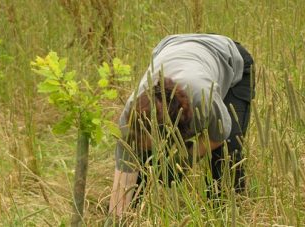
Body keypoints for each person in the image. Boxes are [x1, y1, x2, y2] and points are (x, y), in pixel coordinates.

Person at [109, 34, 255, 217]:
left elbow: (218, 135)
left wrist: (180, 162)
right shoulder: (131, 116)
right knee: (145, 159)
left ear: (169, 132)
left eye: (145, 140)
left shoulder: (202, 98)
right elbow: (124, 173)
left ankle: (225, 215)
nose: (138, 144)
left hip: (227, 59)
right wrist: (116, 218)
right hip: (172, 46)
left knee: (226, 156)